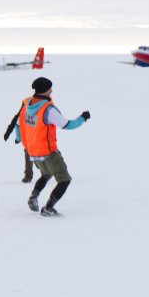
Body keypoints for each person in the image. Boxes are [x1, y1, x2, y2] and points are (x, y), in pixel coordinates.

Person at [16, 77, 90, 216]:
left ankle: (33, 197)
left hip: (34, 151)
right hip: (48, 152)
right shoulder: (47, 109)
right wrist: (83, 118)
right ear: (45, 90)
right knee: (64, 180)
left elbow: (21, 125)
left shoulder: (28, 106)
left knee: (46, 174)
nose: (52, 91)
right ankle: (48, 208)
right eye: (50, 88)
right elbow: (67, 125)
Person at [4, 100, 34, 182]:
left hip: (35, 137)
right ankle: (28, 176)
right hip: (30, 138)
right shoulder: (23, 114)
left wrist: (17, 139)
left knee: (44, 155)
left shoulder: (23, 115)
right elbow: (16, 125)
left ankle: (29, 176)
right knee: (30, 153)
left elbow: (17, 126)